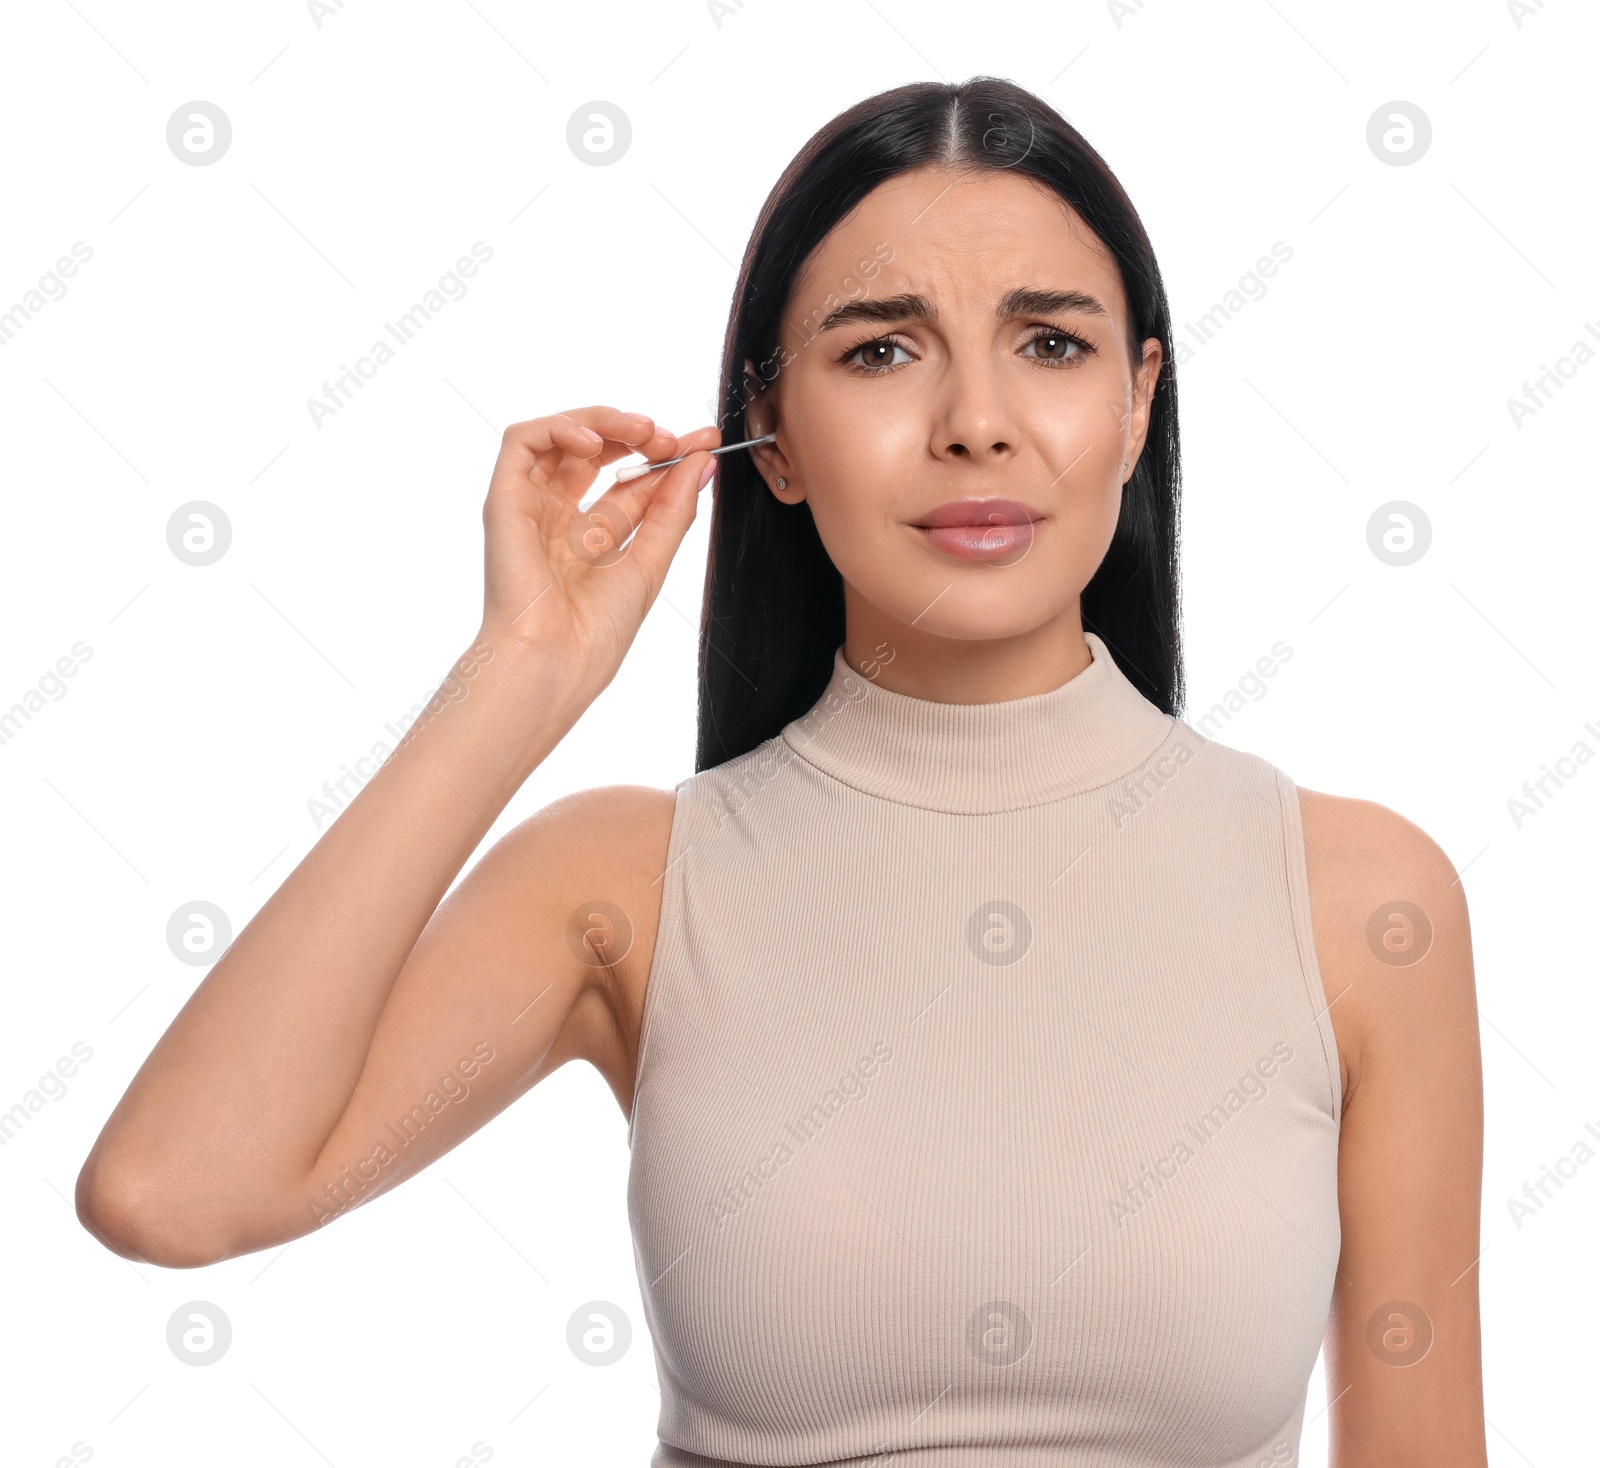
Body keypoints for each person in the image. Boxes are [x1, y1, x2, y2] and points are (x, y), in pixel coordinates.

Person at [76, 77, 1487, 1467]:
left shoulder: (1358, 903)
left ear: (1137, 402)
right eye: (882, 352)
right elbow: (172, 1195)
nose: (977, 421)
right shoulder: (623, 887)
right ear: (774, 430)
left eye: (1050, 345)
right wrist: (523, 673)